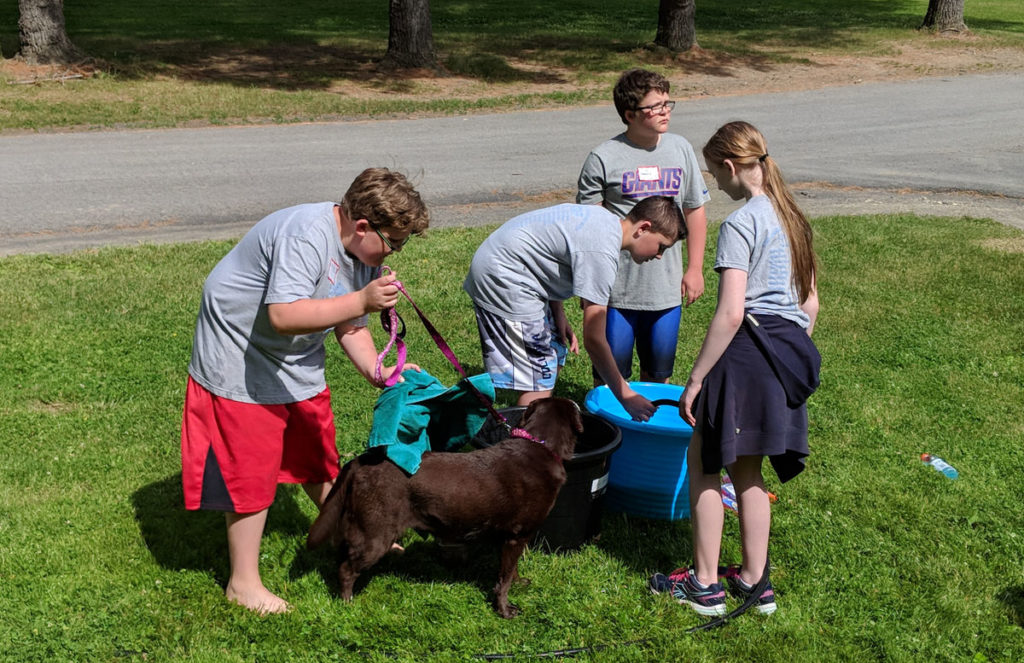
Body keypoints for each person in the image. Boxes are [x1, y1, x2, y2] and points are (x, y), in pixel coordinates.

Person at [180, 167, 429, 615]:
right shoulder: (305, 236)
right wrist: (362, 300)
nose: (395, 252)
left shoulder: (359, 256)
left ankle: (348, 530)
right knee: (250, 468)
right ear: (362, 227)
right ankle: (243, 583)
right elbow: (284, 315)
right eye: (394, 242)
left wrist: (379, 371)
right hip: (239, 349)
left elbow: (349, 324)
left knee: (316, 450)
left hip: (291, 352)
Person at [649, 122, 821, 617]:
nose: (715, 185)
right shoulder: (794, 219)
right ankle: (754, 582)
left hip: (746, 351)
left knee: (704, 462)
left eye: (713, 173)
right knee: (749, 469)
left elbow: (730, 311)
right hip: (787, 351)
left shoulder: (743, 223)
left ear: (729, 166)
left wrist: (697, 378)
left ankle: (704, 585)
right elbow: (810, 306)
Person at [463, 196, 685, 423]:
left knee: (554, 352)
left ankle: (529, 424)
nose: (659, 256)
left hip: (515, 269)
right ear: (644, 228)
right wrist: (625, 395)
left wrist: (557, 312)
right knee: (540, 369)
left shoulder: (605, 222)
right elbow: (594, 339)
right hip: (504, 275)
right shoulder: (602, 252)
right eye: (661, 247)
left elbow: (548, 254)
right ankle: (523, 443)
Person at [577, 68, 710, 385]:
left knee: (658, 377)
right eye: (655, 106)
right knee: (611, 378)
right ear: (630, 114)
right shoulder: (603, 158)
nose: (665, 111)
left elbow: (694, 209)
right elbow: (587, 229)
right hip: (616, 294)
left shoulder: (680, 149)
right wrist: (589, 285)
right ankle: (612, 431)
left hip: (664, 293)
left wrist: (695, 268)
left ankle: (647, 430)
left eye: (668, 103)